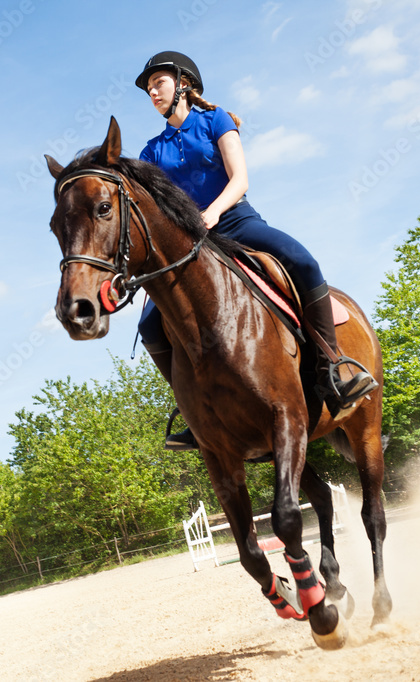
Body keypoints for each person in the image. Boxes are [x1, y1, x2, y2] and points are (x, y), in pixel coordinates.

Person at [134, 51, 377, 450]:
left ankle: (334, 367)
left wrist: (211, 213)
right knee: (148, 326)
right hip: (192, 247)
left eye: (157, 83)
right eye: (147, 89)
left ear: (182, 84)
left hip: (235, 223)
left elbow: (240, 178)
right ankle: (193, 411)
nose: (152, 92)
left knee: (303, 262)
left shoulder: (216, 120)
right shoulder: (150, 151)